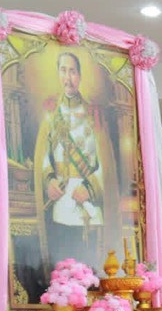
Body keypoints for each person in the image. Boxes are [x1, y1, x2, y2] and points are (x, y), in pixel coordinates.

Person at [34, 51, 115, 268]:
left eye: (72, 71)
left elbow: (105, 163)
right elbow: (44, 157)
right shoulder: (52, 113)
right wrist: (49, 181)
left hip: (87, 202)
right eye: (63, 71)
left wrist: (90, 188)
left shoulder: (94, 114)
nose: (67, 78)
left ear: (79, 76)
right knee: (61, 268)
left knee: (90, 270)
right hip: (61, 202)